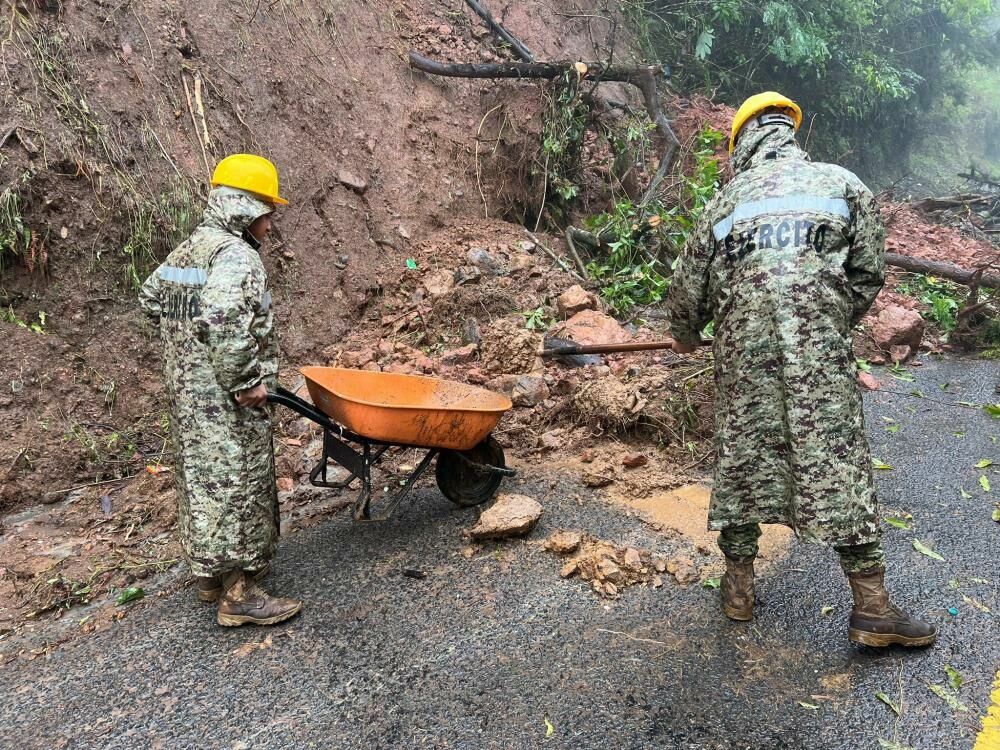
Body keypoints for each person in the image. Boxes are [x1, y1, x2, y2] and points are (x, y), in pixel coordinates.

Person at [663, 92, 937, 647]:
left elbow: (686, 290)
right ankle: (874, 608)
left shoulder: (725, 203)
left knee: (742, 462)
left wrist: (689, 337)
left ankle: (737, 591)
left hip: (742, 364)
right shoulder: (843, 185)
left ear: (741, 143)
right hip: (820, 363)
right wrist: (827, 322)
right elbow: (867, 274)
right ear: (790, 133)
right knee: (838, 465)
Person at [139, 154, 302, 627]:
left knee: (201, 482)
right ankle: (241, 595)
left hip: (189, 402)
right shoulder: (235, 256)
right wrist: (245, 381)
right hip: (226, 402)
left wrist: (187, 350)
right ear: (246, 208)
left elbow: (152, 299)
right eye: (268, 213)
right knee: (240, 483)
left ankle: (210, 576)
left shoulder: (191, 249)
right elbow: (225, 319)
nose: (270, 225)